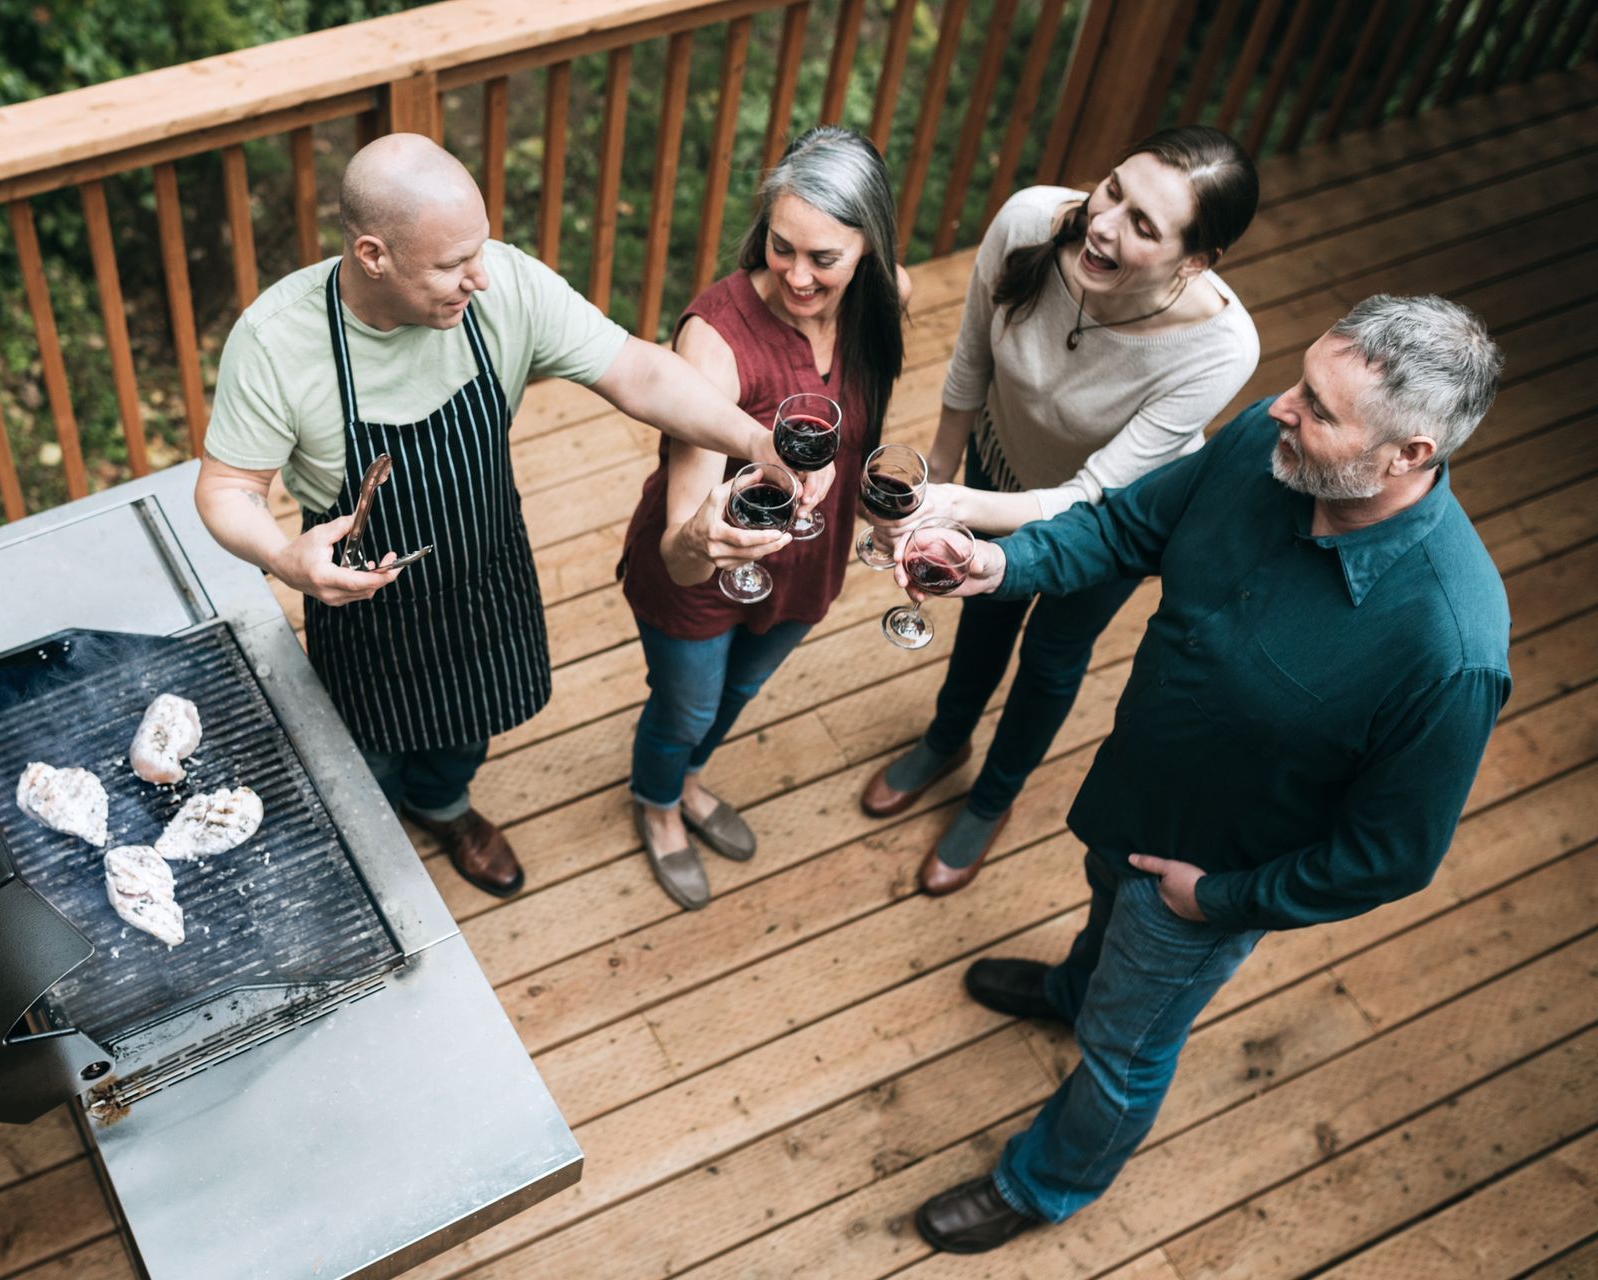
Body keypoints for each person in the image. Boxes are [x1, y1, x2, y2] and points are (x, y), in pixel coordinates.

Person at [908, 295, 1508, 1253]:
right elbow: (1124, 531)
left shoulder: (1449, 646)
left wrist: (1218, 897)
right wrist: (995, 565)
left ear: (1409, 456)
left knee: (1126, 1050)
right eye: (1299, 383)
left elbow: (1390, 857)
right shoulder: (1269, 448)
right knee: (1104, 929)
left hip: (1207, 883)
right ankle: (1072, 991)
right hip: (1133, 789)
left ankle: (1046, 1181)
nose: (1281, 406)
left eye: (1318, 406)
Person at [194, 133, 817, 899]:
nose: (478, 279)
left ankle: (445, 806)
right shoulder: (277, 340)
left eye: (480, 252)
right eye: (453, 266)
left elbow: (640, 370)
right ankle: (371, 851)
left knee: (468, 728)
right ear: (372, 255)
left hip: (485, 569)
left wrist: (758, 440)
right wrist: (288, 560)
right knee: (366, 762)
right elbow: (227, 488)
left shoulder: (503, 288)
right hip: (363, 604)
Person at [860, 126, 1260, 897]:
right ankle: (946, 739)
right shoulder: (1028, 222)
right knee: (980, 609)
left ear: (1197, 261)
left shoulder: (1221, 348)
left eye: (1145, 225)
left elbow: (1092, 493)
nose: (1102, 223)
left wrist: (954, 505)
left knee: (1051, 653)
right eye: (1113, 189)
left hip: (1114, 519)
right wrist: (939, 473)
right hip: (997, 462)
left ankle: (992, 798)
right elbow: (972, 355)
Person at [618, 126, 908, 909]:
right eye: (783, 248)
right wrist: (702, 538)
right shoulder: (713, 340)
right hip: (706, 568)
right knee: (688, 707)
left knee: (736, 698)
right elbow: (683, 548)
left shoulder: (884, 303)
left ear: (869, 252)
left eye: (825, 259)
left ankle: (690, 781)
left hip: (810, 558)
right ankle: (658, 801)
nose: (799, 278)